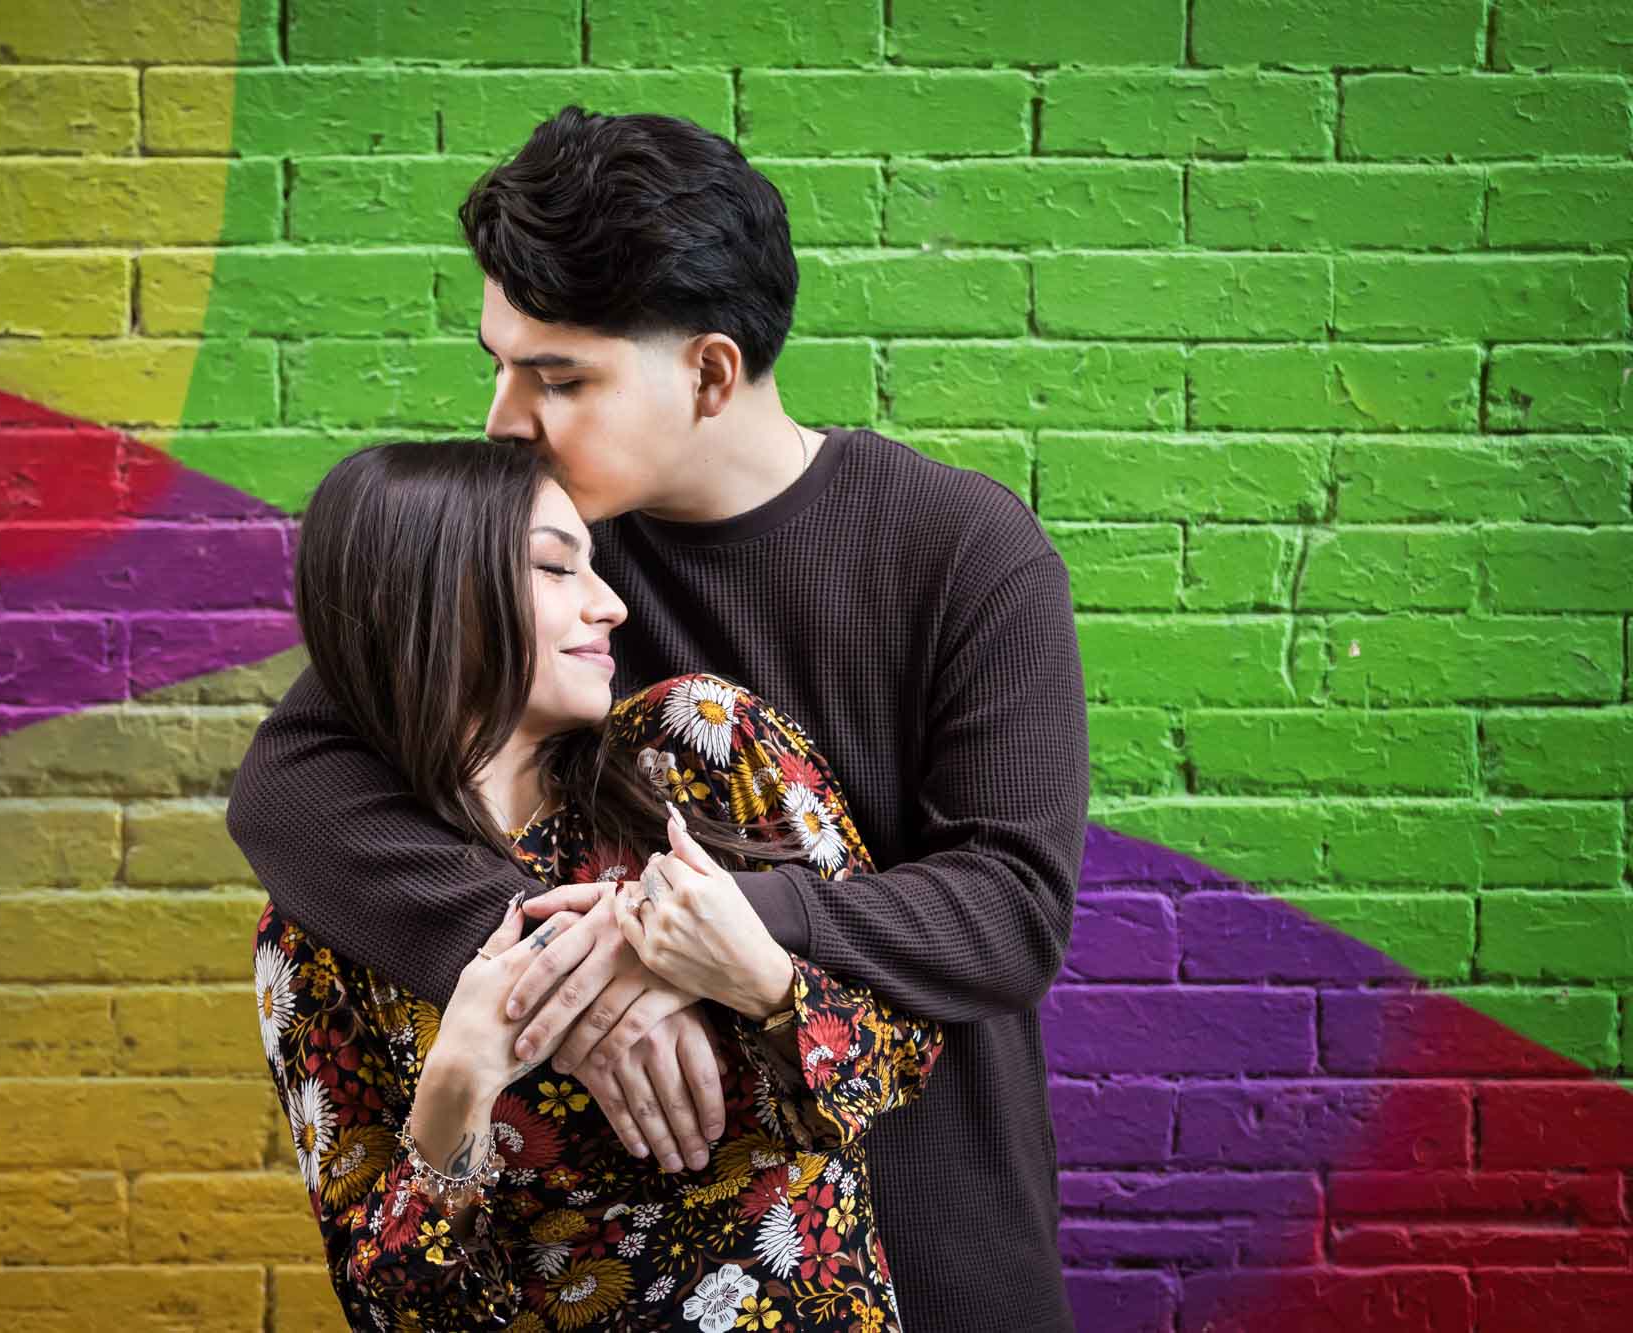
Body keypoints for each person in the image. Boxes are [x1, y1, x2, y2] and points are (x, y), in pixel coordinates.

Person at [230, 107, 1089, 1332]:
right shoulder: (526, 569)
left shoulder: (962, 553)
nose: (502, 418)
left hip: (936, 1236)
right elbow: (289, 783)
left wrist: (703, 929)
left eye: (556, 376)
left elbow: (1009, 905)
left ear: (708, 371)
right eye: (500, 361)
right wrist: (550, 969)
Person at [255, 438, 940, 1328]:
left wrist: (760, 982)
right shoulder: (319, 929)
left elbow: (905, 1052)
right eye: (555, 566)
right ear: (426, 598)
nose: (609, 604)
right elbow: (394, 1311)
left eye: (596, 566)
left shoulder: (703, 744)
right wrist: (457, 1081)